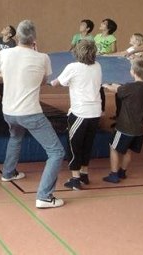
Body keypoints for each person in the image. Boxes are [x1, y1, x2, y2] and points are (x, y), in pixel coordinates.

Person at [0, 20, 65, 209]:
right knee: (56, 152)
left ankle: (8, 173)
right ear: (34, 39)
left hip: (8, 111)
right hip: (30, 112)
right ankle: (44, 196)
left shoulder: (4, 54)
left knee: (16, 137)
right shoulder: (42, 58)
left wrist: (8, 74)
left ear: (17, 37)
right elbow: (42, 82)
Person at [51, 39, 102, 191]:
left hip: (80, 112)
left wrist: (51, 81)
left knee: (74, 145)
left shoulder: (73, 67)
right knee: (87, 144)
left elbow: (57, 82)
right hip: (95, 112)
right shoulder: (97, 66)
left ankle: (75, 178)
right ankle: (84, 174)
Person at [101, 57, 143, 183]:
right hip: (139, 128)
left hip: (125, 127)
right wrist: (115, 85)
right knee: (128, 150)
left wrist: (106, 84)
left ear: (132, 72)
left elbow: (117, 89)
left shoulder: (129, 87)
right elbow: (122, 88)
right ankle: (122, 172)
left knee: (113, 147)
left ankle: (114, 174)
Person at [0, 25, 16, 97]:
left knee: (7, 82)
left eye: (6, 29)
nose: (3, 28)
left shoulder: (12, 42)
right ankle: (2, 97)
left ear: (9, 34)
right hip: (0, 64)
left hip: (8, 65)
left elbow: (13, 53)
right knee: (0, 82)